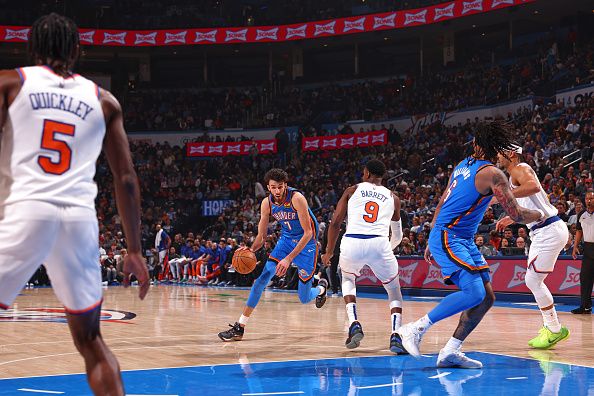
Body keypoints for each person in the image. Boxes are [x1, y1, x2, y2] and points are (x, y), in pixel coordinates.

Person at [0, 13, 148, 395]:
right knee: (91, 341)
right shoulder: (104, 100)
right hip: (79, 221)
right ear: (78, 51)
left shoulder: (11, 83)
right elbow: (127, 179)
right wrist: (134, 250)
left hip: (27, 210)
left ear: (30, 49)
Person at [398, 121, 544, 369]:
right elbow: (517, 214)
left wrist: (431, 234)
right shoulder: (493, 174)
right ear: (496, 148)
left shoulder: (463, 164)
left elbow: (443, 199)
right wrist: (541, 215)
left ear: (477, 145)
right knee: (474, 292)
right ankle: (414, 329)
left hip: (457, 238)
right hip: (450, 236)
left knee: (486, 297)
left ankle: (450, 351)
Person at [218, 169, 328, 341]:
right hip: (285, 241)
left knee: (304, 298)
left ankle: (321, 288)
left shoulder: (297, 198)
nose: (277, 191)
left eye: (280, 187)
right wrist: (250, 250)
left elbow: (308, 233)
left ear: (286, 185)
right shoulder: (266, 203)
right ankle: (240, 327)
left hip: (307, 246)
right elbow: (261, 237)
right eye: (273, 187)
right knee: (261, 279)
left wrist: (288, 259)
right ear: (268, 187)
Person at [322, 159, 406, 353]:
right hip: (379, 242)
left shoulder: (352, 191)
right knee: (394, 291)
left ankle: (354, 323)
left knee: (348, 278)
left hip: (352, 240)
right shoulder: (393, 198)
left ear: (367, 173)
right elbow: (399, 235)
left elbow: (335, 224)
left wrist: (329, 251)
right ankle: (395, 335)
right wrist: (386, 249)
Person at [496, 145, 570, 348]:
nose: (497, 157)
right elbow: (538, 202)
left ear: (510, 153)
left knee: (533, 280)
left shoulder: (520, 168)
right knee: (533, 280)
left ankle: (554, 329)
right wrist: (512, 219)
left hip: (548, 230)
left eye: (499, 152)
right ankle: (552, 326)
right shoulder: (516, 174)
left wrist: (502, 197)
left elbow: (534, 188)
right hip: (543, 229)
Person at [571, 190, 594, 314]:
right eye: (587, 199)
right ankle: (585, 306)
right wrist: (575, 247)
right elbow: (579, 231)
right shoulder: (581, 214)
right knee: (585, 279)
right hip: (588, 249)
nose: (589, 201)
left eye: (591, 198)